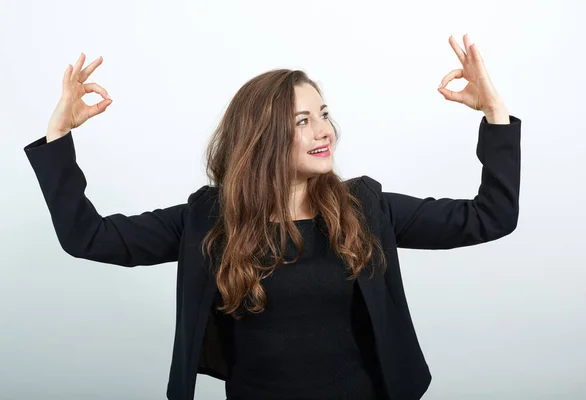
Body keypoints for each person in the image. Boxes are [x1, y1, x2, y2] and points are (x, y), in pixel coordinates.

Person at [24, 34, 521, 400]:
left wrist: (494, 111)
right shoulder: (208, 219)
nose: (323, 129)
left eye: (323, 113)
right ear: (263, 137)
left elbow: (489, 217)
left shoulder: (366, 208)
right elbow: (88, 237)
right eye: (302, 121)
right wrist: (57, 137)